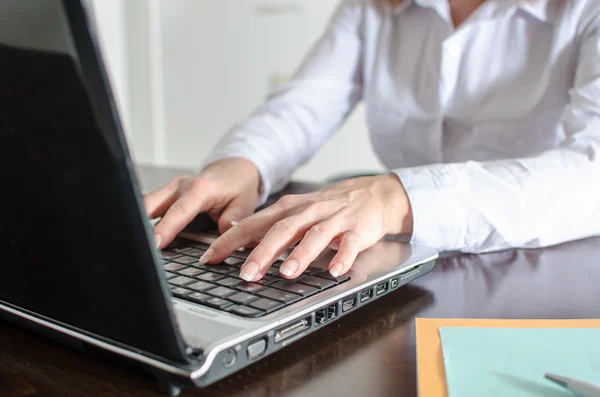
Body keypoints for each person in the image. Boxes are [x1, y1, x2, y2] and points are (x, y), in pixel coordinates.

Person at [144, 0, 600, 283]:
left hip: (544, 270)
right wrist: (242, 164)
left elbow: (592, 171)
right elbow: (305, 102)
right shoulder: (374, 6)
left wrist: (397, 197)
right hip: (403, 265)